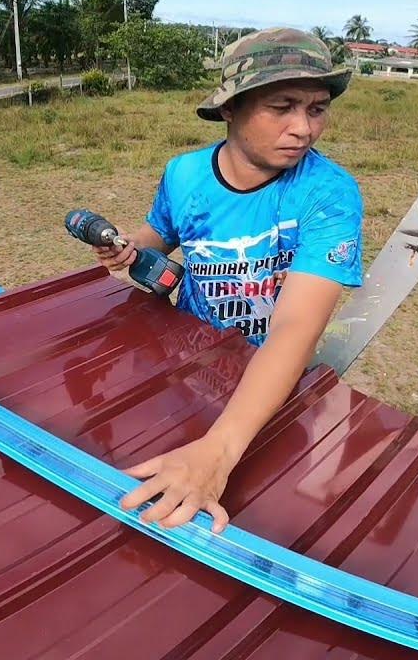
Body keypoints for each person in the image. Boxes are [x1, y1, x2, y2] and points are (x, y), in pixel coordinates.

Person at [94, 28, 364, 533]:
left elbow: (294, 329)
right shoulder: (184, 175)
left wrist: (218, 454)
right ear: (230, 109)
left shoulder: (328, 194)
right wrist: (128, 247)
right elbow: (162, 233)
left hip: (264, 380)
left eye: (317, 108)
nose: (303, 128)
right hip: (182, 366)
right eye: (282, 106)